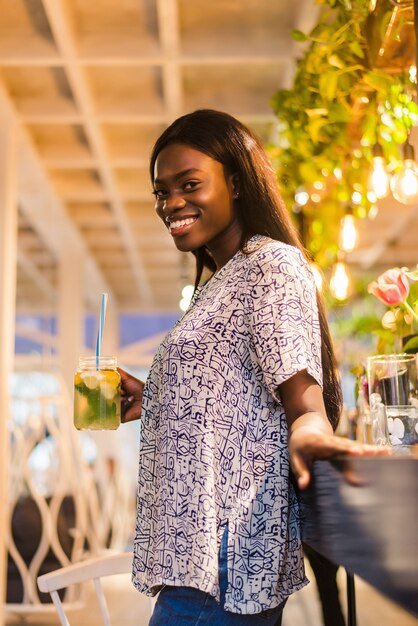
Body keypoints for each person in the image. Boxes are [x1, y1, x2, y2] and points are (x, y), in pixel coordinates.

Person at [119, 109, 387, 625]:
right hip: (200, 554)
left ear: (236, 183)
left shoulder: (270, 265)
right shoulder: (220, 283)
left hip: (226, 553)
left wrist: (313, 434)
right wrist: (153, 395)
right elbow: (234, 401)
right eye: (160, 192)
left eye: (189, 184)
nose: (171, 203)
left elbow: (302, 400)